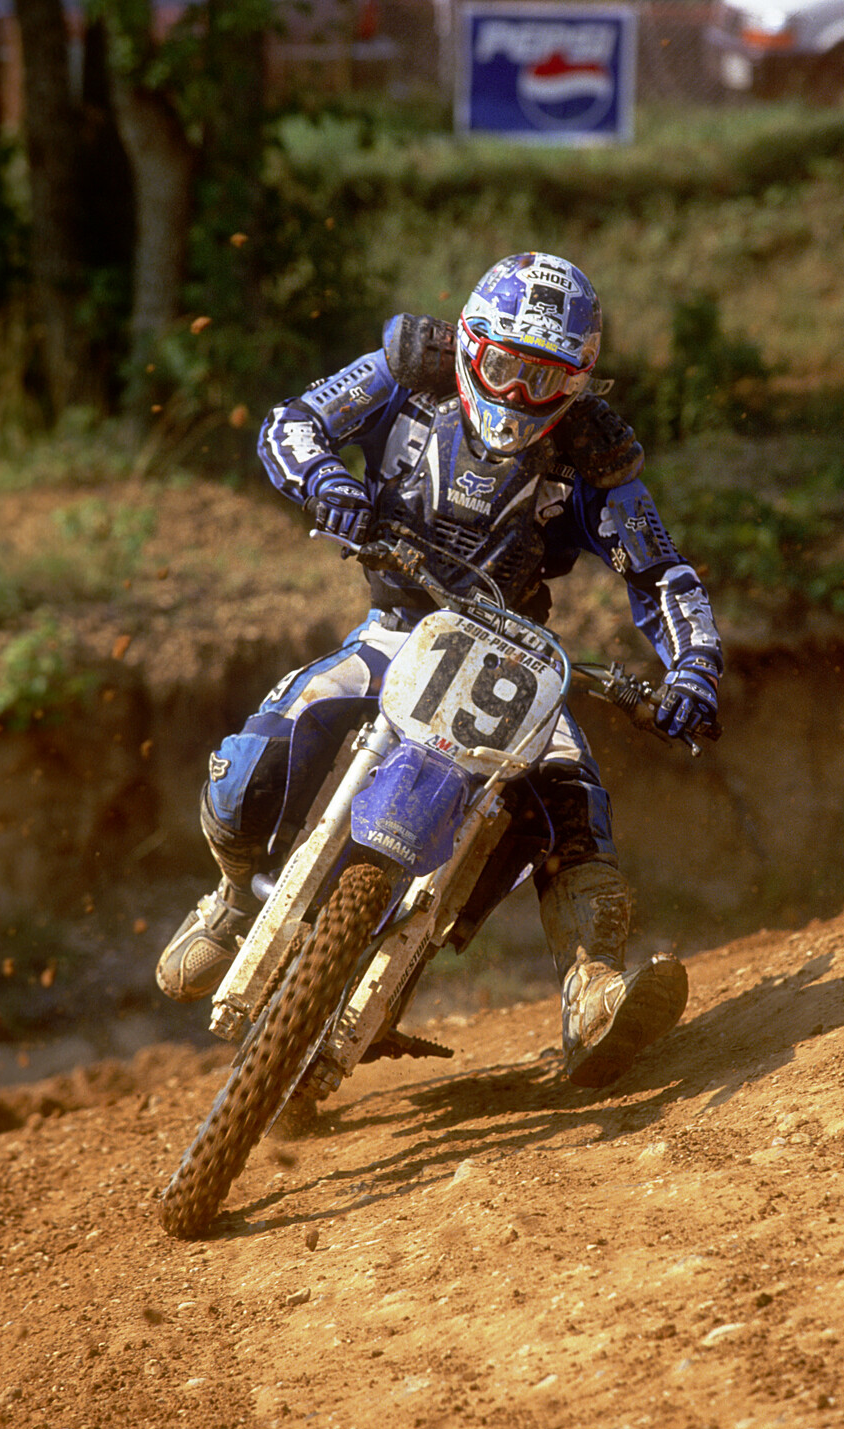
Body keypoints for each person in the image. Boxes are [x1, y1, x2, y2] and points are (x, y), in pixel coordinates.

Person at [156, 252, 722, 1088]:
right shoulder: (402, 372)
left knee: (571, 799)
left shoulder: (592, 455)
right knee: (265, 749)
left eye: (546, 381)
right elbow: (291, 422)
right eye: (505, 369)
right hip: (396, 626)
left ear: (578, 384)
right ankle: (233, 897)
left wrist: (694, 667)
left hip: (515, 653)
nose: (520, 396)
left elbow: (661, 573)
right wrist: (321, 480)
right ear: (468, 345)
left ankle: (590, 990)